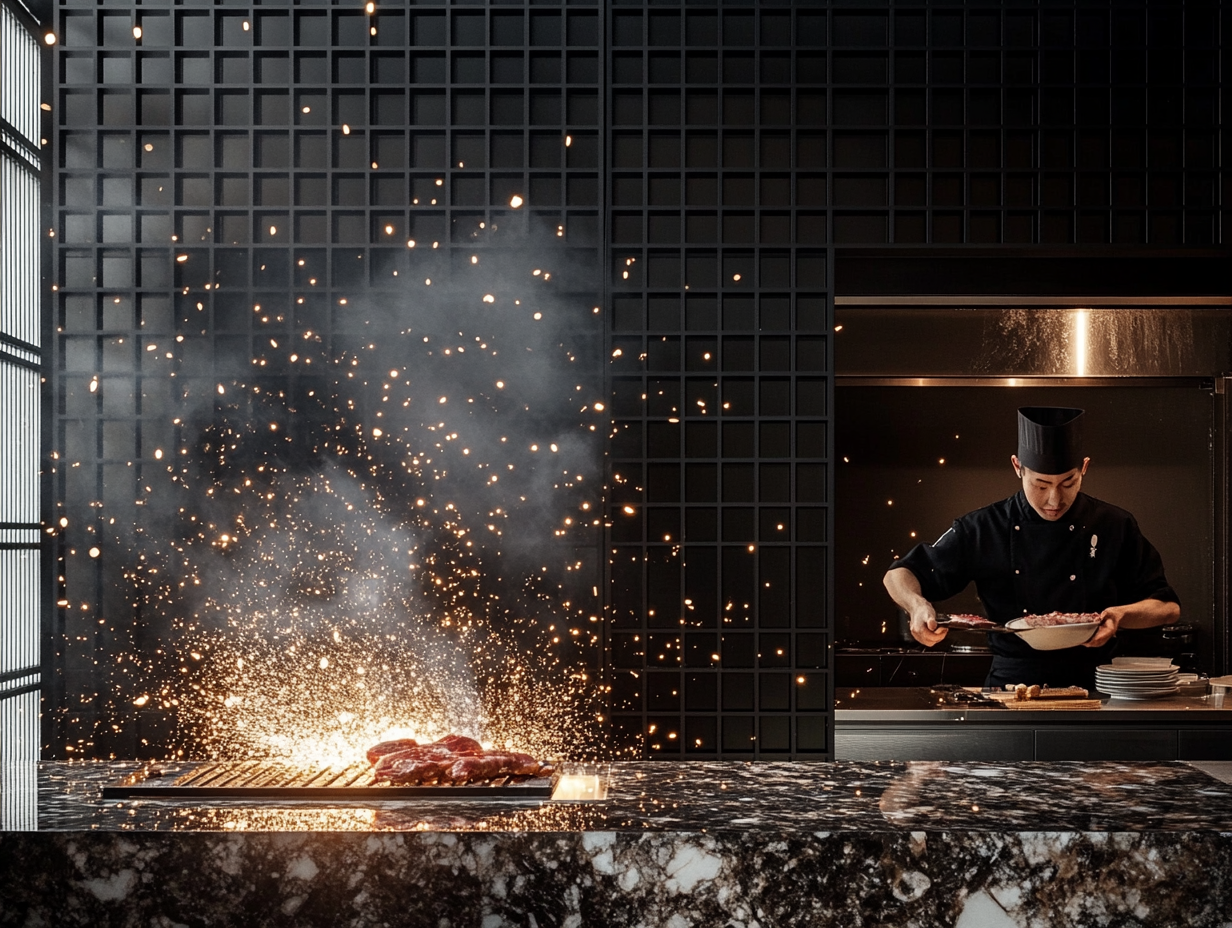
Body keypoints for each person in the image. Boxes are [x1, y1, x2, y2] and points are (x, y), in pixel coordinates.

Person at [882, 406, 1180, 690]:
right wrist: (916, 605)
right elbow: (899, 574)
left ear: (1084, 468)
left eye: (1067, 483)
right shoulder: (984, 527)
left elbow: (1167, 608)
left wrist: (1119, 616)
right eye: (1040, 485)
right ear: (1017, 468)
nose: (1054, 500)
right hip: (1012, 684)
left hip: (1099, 685)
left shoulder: (1115, 524)